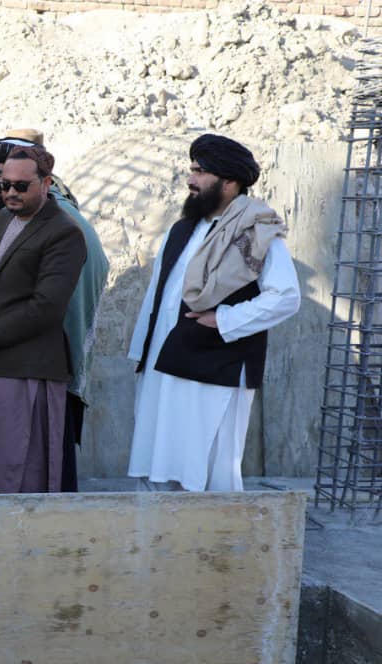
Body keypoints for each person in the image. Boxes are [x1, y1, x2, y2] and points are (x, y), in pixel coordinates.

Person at [128, 134, 300, 491]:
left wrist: (224, 321)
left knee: (209, 469)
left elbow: (285, 297)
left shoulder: (256, 231)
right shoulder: (182, 229)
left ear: (230, 182)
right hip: (165, 362)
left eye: (201, 172)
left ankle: (217, 544)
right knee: (159, 461)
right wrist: (141, 351)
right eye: (191, 169)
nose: (191, 179)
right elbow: (158, 297)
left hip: (217, 366)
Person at [0, 145, 87, 493]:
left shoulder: (64, 232)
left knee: (21, 478)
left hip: (25, 369)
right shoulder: (0, 220)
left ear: (46, 184)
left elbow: (47, 306)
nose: (10, 192)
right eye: (3, 185)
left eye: (20, 186)